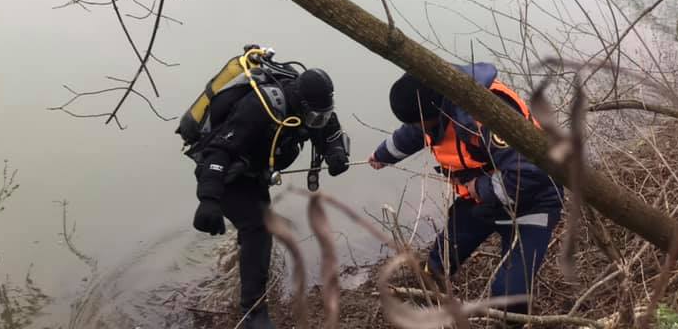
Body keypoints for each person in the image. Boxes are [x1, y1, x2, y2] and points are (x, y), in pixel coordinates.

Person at [368, 62, 562, 318]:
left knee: (509, 296)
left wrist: (481, 188)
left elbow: (531, 170)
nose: (417, 128)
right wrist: (382, 155)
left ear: (434, 111)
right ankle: (427, 303)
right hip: (483, 202)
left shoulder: (482, 114)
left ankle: (511, 321)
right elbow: (412, 134)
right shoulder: (432, 106)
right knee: (437, 264)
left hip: (532, 203)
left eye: (419, 123)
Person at [182, 45, 351, 329]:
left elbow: (329, 129)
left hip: (257, 171)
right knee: (259, 228)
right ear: (300, 102)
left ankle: (242, 260)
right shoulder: (260, 108)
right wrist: (208, 199)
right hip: (226, 175)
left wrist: (335, 153)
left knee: (256, 229)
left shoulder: (314, 106)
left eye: (321, 115)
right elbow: (218, 151)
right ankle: (253, 312)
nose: (317, 121)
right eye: (315, 116)